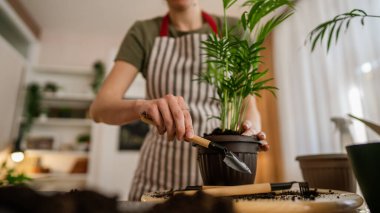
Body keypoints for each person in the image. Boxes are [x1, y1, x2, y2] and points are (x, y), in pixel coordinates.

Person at [90, 0, 268, 201]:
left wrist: (249, 133)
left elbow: (247, 104)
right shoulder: (144, 32)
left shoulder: (234, 29)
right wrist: (142, 106)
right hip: (157, 182)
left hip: (219, 184)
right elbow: (100, 108)